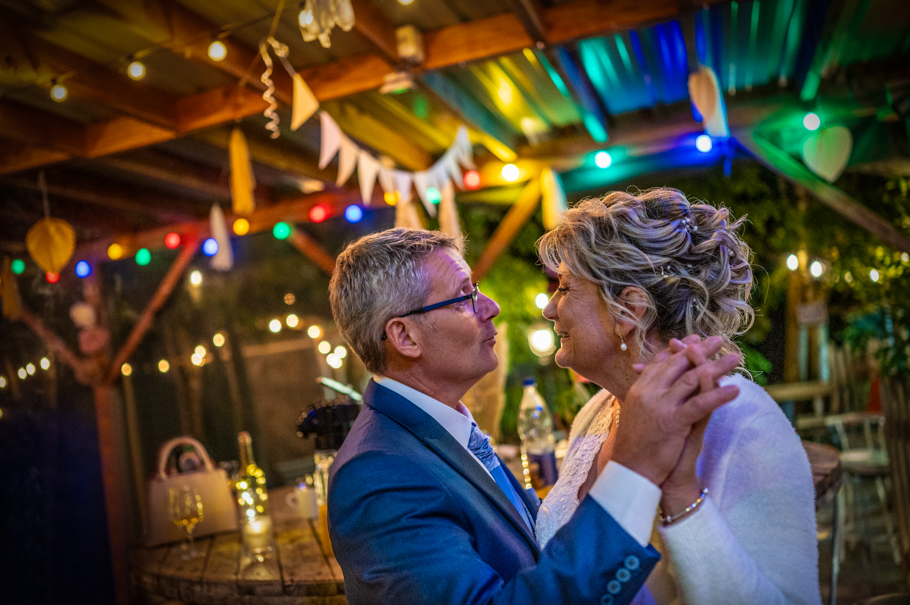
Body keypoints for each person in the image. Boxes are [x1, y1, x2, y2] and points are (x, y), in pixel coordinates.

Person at [326, 227, 742, 605]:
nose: (490, 307)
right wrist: (633, 467)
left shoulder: (438, 430)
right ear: (405, 336)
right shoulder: (379, 474)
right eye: (465, 297)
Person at [535, 188, 822, 605]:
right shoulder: (597, 413)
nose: (549, 308)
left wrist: (681, 493)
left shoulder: (740, 420)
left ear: (628, 312)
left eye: (564, 288)